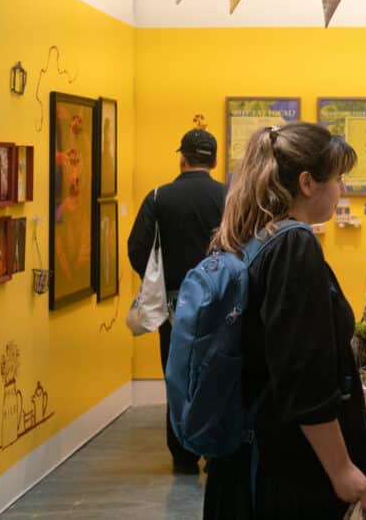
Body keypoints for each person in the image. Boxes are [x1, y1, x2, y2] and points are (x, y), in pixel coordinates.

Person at [202, 122, 366, 519]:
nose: (342, 189)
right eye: (338, 179)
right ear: (307, 183)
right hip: (285, 469)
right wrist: (342, 468)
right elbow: (303, 378)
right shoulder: (294, 246)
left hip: (249, 457)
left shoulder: (252, 238)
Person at [127, 129, 227, 475]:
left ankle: (184, 454)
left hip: (174, 306)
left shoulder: (158, 198)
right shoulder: (229, 196)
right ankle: (218, 452)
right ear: (214, 161)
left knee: (179, 377)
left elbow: (137, 249)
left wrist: (158, 280)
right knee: (220, 375)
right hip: (222, 305)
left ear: (181, 158)